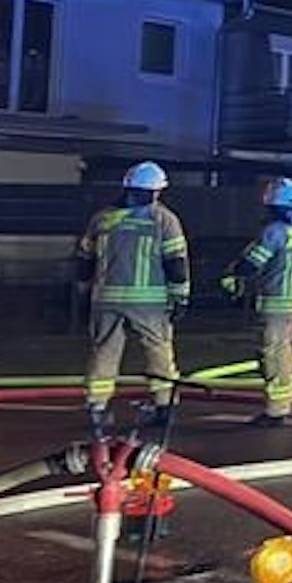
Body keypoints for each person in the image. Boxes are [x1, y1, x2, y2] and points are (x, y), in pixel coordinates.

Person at [78, 162, 191, 437]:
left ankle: (97, 407)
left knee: (103, 352)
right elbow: (175, 263)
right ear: (154, 192)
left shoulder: (103, 218)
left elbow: (84, 260)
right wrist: (181, 296)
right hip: (149, 303)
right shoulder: (163, 219)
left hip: (106, 300)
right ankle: (164, 408)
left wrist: (84, 292)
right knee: (158, 351)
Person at [221, 177, 292, 427]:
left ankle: (276, 409)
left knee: (272, 355)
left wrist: (233, 278)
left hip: (275, 303)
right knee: (283, 350)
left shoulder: (275, 232)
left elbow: (250, 264)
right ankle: (281, 403)